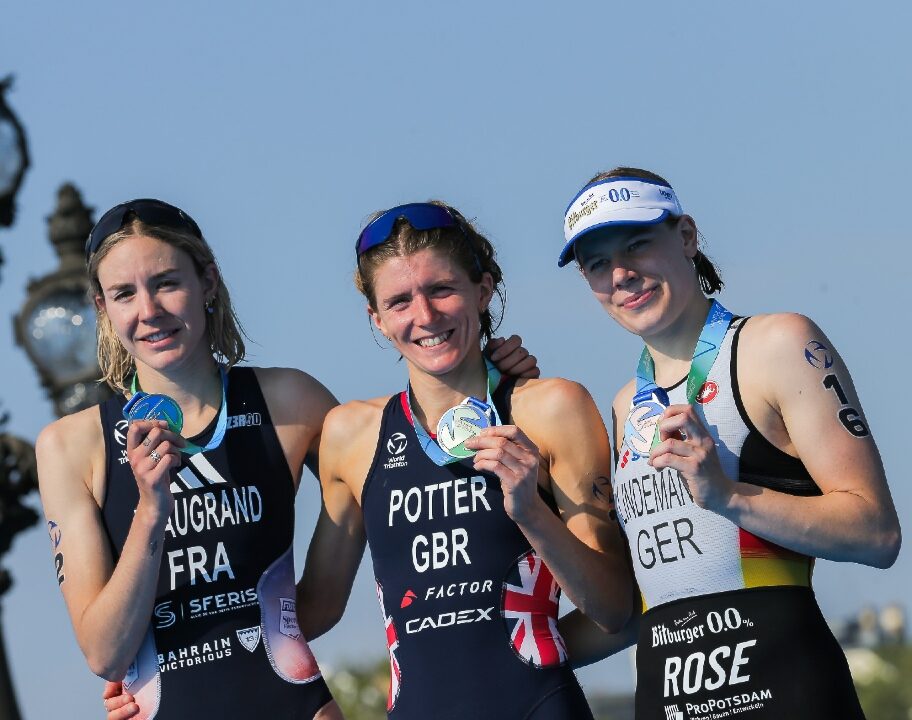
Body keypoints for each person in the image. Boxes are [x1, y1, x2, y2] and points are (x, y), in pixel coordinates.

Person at [42, 199, 535, 720]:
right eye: (124, 294)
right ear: (102, 307)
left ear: (208, 281)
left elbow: (428, 478)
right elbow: (104, 652)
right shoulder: (73, 445)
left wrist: (492, 383)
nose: (149, 310)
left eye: (167, 282)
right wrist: (151, 511)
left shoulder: (291, 402)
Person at [558, 168, 902, 718]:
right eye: (598, 263)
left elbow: (878, 533)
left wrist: (727, 495)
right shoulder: (628, 404)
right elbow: (645, 606)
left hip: (784, 697)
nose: (621, 273)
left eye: (638, 244)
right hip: (666, 702)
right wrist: (498, 653)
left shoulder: (778, 343)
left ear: (687, 237)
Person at [294, 201, 633, 719]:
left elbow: (614, 608)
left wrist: (530, 512)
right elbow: (311, 610)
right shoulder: (350, 435)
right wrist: (155, 660)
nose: (425, 316)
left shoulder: (551, 409)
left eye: (441, 290)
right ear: (377, 319)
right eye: (400, 301)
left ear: (483, 289)